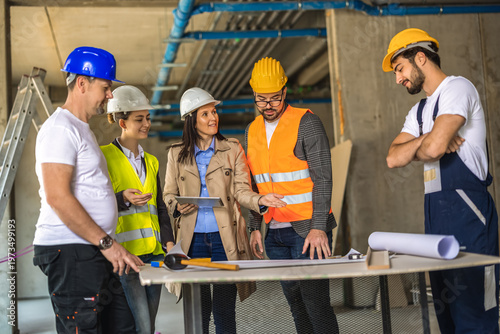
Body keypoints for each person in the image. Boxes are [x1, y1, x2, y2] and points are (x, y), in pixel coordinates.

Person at [384, 28, 499, 333]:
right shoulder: (419, 111)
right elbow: (393, 157)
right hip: (436, 220)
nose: (398, 78)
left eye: (400, 68)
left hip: (470, 218)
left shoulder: (458, 89)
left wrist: (425, 146)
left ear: (420, 58)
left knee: (475, 314)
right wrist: (429, 138)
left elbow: (433, 148)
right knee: (446, 316)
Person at [32, 46, 143, 334]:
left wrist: (116, 203)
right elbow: (58, 196)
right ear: (82, 83)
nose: (110, 95)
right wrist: (107, 244)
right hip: (72, 253)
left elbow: (86, 192)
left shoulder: (82, 129)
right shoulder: (60, 129)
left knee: (122, 328)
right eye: (106, 87)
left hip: (90, 250)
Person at [163, 87, 286, 334]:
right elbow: (168, 194)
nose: (213, 118)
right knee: (198, 311)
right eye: (205, 114)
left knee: (224, 310)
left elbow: (241, 190)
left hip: (224, 239)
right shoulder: (176, 154)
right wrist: (177, 205)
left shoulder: (232, 149)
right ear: (191, 120)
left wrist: (260, 199)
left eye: (214, 111)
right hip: (192, 241)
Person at [245, 57, 339, 334]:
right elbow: (255, 185)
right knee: (296, 305)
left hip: (307, 231)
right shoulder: (252, 131)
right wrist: (254, 227)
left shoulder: (306, 122)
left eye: (274, 98)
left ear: (285, 91)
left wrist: (319, 228)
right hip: (274, 231)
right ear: (254, 95)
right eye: (261, 99)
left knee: (316, 304)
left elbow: (323, 178)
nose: (268, 105)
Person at [101, 85, 175, 334]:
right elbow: (98, 203)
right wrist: (122, 199)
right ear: (122, 122)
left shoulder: (152, 161)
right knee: (141, 326)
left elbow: (160, 208)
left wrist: (169, 243)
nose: (147, 123)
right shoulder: (104, 157)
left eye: (148, 117)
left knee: (150, 325)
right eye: (139, 119)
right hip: (126, 256)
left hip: (154, 256)